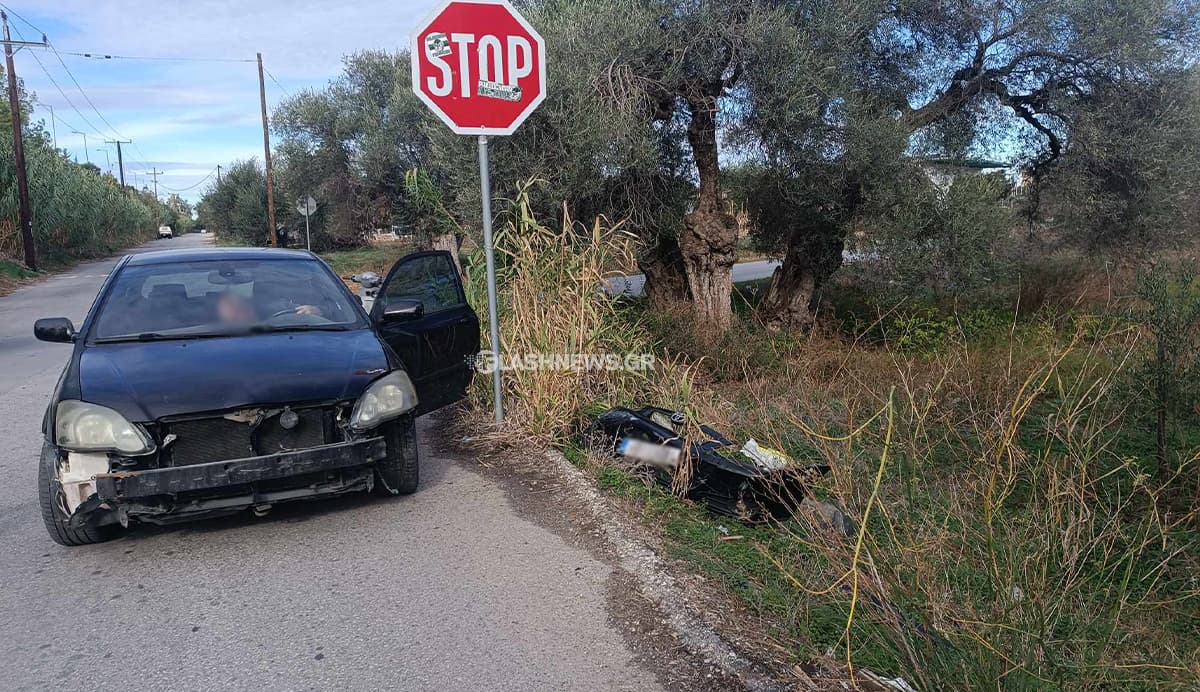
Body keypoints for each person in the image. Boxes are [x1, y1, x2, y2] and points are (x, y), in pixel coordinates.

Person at [215, 292, 322, 325]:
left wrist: (316, 310)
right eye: (236, 314)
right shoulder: (217, 336)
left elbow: (302, 309)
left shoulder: (279, 307)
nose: (243, 314)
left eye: (243, 306)